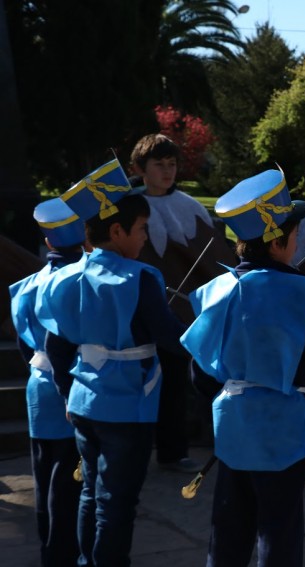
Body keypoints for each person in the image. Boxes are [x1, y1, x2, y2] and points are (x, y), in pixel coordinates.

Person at [181, 169, 305, 566]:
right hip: (282, 429)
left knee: (229, 530)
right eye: (294, 235)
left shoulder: (219, 289)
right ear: (278, 242)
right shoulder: (296, 291)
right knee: (278, 533)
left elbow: (199, 374)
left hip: (232, 425)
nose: (297, 241)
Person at [36, 160, 188, 566]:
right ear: (117, 231)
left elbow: (57, 346)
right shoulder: (140, 277)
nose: (144, 238)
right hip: (128, 405)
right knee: (116, 503)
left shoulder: (64, 277)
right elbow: (171, 338)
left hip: (84, 402)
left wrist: (68, 394)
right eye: (140, 230)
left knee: (91, 493)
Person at [130, 133, 237, 474]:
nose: (167, 171)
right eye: (158, 165)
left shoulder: (189, 206)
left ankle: (173, 452)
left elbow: (213, 257)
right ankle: (129, 449)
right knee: (134, 380)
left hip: (178, 310)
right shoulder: (127, 205)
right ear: (140, 168)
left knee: (175, 381)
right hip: (133, 309)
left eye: (172, 164)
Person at [9, 198, 85, 566]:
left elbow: (23, 343)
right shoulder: (85, 279)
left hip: (38, 384)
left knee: (45, 473)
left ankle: (49, 550)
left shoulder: (26, 285)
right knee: (70, 478)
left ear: (49, 241)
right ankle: (65, 553)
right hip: (77, 385)